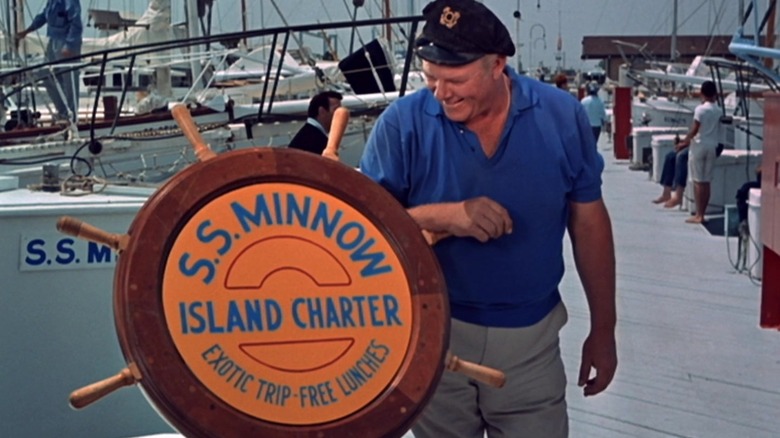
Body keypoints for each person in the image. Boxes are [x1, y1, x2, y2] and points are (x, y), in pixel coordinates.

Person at [359, 1, 617, 436]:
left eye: (455, 79)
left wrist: (604, 329)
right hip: (431, 336)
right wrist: (447, 216)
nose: (442, 94)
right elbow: (361, 232)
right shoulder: (399, 125)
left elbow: (589, 223)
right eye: (430, 79)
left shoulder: (561, 116)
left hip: (531, 344)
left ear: (498, 65)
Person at [16, 0, 83, 123]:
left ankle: (72, 116)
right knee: (46, 74)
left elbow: (76, 22)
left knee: (70, 81)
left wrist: (69, 45)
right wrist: (27, 31)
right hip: (53, 41)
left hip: (66, 42)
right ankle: (63, 111)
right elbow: (43, 16)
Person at [675, 80, 721, 224]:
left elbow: (694, 130)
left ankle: (698, 214)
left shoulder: (700, 110)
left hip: (699, 146)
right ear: (715, 94)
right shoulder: (718, 110)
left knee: (697, 181)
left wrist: (683, 141)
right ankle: (703, 213)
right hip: (712, 146)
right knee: (706, 182)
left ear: (702, 93)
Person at [287, 90, 343, 155]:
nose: (340, 116)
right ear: (322, 112)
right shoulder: (316, 141)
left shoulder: (306, 135)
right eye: (336, 111)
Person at [652, 140, 689, 208]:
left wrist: (686, 143)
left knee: (681, 157)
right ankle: (666, 193)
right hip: (694, 144)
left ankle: (678, 195)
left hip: (702, 145)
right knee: (670, 156)